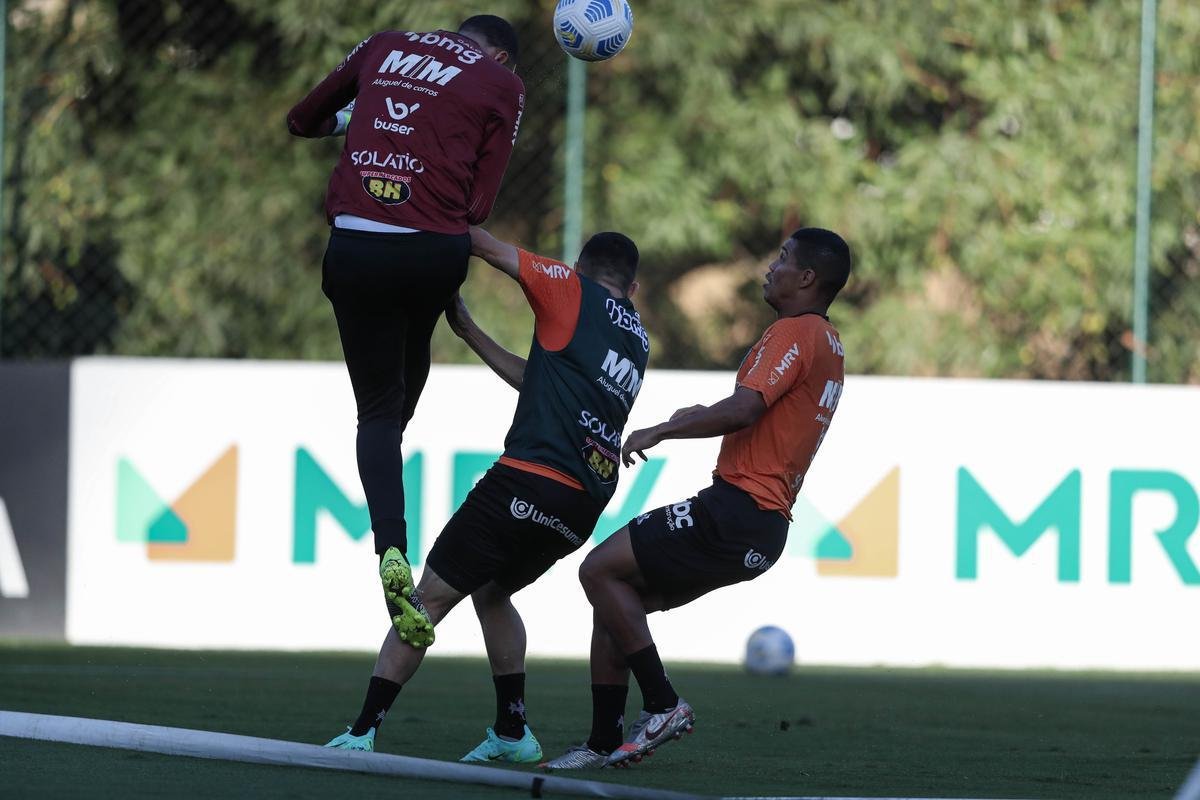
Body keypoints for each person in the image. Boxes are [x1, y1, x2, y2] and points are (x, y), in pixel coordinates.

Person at [325, 225, 650, 762]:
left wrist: (422, 204)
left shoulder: (568, 288)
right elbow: (541, 381)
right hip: (583, 503)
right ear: (633, 289)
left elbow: (482, 243)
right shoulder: (637, 339)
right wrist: (471, 332)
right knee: (492, 590)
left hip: (529, 479)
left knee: (427, 597)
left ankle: (361, 733)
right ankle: (512, 731)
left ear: (577, 267)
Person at [542, 227, 851, 769]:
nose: (769, 267)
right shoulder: (828, 342)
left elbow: (744, 410)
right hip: (761, 526)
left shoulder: (793, 332)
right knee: (617, 607)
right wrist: (695, 416)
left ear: (806, 278)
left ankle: (663, 704)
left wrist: (661, 430)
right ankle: (603, 741)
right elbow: (764, 416)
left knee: (597, 570)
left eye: (782, 259)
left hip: (735, 512)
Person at [286, 17, 526, 644]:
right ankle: (394, 489)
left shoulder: (387, 44)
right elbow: (478, 209)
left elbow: (301, 120)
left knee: (375, 411)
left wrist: (356, 128)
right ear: (501, 55)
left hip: (357, 247)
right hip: (432, 255)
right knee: (404, 378)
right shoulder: (499, 81)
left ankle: (390, 547)